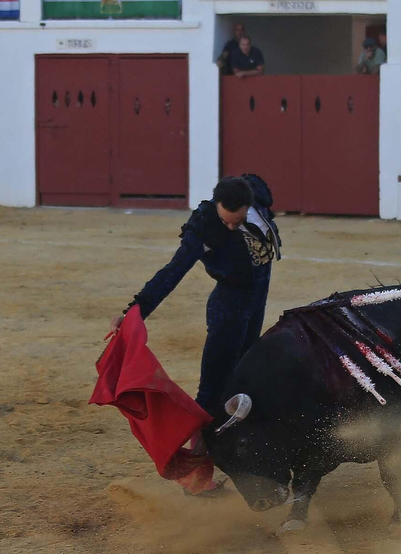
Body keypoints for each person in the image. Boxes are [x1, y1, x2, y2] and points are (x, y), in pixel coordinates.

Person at [110, 174, 281, 426]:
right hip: (229, 305)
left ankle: (237, 433)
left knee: (245, 368)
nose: (232, 227)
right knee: (214, 383)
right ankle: (197, 446)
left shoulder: (255, 196)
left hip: (256, 298)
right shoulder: (204, 226)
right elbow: (172, 272)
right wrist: (135, 311)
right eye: (227, 222)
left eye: (239, 221)